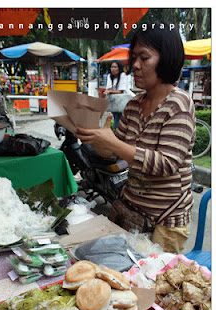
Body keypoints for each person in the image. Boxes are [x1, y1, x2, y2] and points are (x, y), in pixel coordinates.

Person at [75, 22, 196, 254]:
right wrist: (95, 138)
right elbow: (112, 153)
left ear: (167, 59)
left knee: (153, 285)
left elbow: (166, 164)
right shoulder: (133, 105)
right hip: (132, 213)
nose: (135, 66)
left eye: (144, 58)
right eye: (134, 58)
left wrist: (112, 142)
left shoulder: (178, 104)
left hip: (165, 222)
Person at [103, 61, 129, 130]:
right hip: (114, 102)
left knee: (118, 121)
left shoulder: (123, 75)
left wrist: (109, 91)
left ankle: (116, 131)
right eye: (112, 67)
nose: (113, 69)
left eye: (115, 67)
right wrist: (108, 91)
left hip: (123, 102)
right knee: (115, 117)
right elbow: (109, 88)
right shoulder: (109, 76)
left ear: (119, 68)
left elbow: (121, 91)